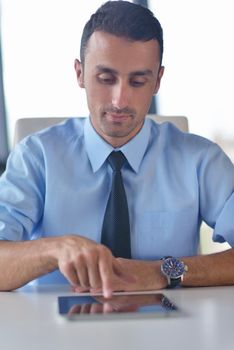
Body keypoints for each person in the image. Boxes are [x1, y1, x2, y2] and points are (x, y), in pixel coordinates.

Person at [0, 1, 234, 297]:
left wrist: (162, 271)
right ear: (79, 73)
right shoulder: (36, 157)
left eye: (138, 81)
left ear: (158, 80)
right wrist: (56, 248)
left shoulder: (201, 161)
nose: (120, 100)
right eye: (106, 78)